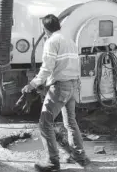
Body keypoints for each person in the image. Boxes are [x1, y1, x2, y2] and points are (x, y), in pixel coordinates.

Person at [22, 14, 90, 172]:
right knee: (70, 122)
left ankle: (53, 161)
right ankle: (79, 156)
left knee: (45, 123)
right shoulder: (70, 41)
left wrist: (32, 84)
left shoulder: (51, 41)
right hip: (73, 85)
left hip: (60, 86)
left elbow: (47, 68)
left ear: (45, 29)